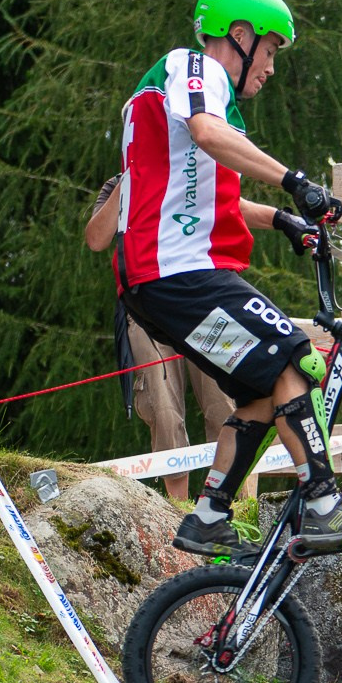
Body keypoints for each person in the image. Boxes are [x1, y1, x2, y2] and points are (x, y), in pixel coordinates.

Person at [111, 0, 342, 556]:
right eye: (269, 49)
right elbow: (206, 132)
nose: (270, 67)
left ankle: (209, 515)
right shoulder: (193, 69)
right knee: (294, 352)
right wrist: (296, 181)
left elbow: (213, 198)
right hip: (177, 272)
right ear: (238, 36)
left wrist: (284, 220)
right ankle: (323, 504)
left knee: (263, 392)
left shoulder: (205, 104)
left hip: (163, 280)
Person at [86, 174, 234, 502]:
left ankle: (227, 504)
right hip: (145, 302)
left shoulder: (195, 169)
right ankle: (177, 512)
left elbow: (229, 223)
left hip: (203, 298)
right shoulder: (117, 183)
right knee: (162, 405)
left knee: (224, 400)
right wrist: (127, 183)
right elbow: (96, 239)